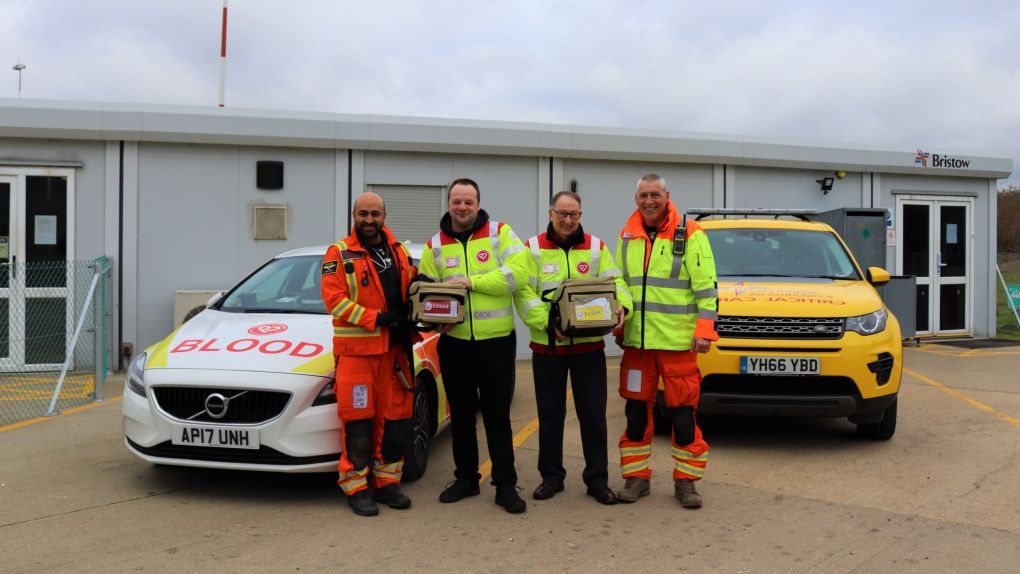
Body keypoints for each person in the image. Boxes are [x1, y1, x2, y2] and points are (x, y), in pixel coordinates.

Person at [418, 178, 530, 514]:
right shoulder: (435, 244)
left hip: (495, 344)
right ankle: (466, 478)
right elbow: (424, 290)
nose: (462, 207)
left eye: (468, 201)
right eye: (456, 201)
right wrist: (432, 319)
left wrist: (471, 281)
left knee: (498, 417)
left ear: (478, 203)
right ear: (449, 203)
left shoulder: (500, 233)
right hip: (454, 345)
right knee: (462, 418)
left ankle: (505, 485)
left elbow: (518, 275)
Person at [513, 191, 633, 505]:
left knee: (594, 417)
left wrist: (623, 306)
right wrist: (549, 322)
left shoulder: (595, 247)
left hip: (589, 349)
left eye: (574, 214)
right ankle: (551, 478)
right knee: (550, 417)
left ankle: (597, 481)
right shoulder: (532, 248)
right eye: (562, 214)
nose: (568, 220)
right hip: (548, 348)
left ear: (581, 215)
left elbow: (616, 281)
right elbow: (523, 294)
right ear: (551, 213)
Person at [613, 173, 719, 509]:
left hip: (677, 346)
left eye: (654, 194)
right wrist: (619, 325)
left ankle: (686, 482)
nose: (648, 201)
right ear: (636, 198)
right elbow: (619, 283)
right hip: (638, 346)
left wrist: (704, 331)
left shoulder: (691, 234)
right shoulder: (627, 234)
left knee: (684, 418)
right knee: (635, 416)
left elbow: (706, 287)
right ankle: (636, 478)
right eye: (643, 195)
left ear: (667, 195)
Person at [320, 192, 418, 517]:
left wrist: (425, 288)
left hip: (394, 354)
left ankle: (387, 483)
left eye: (375, 213)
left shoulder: (399, 251)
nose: (369, 220)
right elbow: (335, 301)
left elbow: (410, 287)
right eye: (363, 213)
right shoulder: (338, 253)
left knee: (394, 423)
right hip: (357, 356)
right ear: (354, 215)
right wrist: (376, 318)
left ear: (384, 215)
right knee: (358, 426)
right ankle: (357, 487)